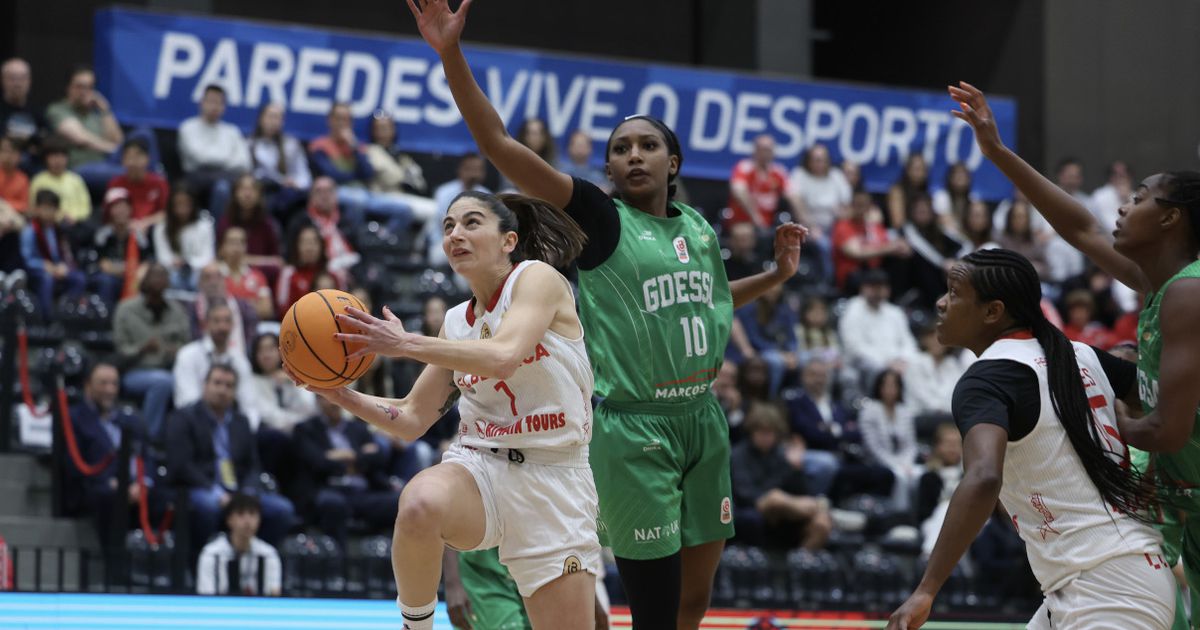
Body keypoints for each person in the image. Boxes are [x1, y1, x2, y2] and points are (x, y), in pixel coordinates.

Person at [405, 2, 806, 626]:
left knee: (694, 605)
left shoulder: (697, 226)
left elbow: (710, 297)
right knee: (653, 608)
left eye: (649, 145)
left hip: (703, 419)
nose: (633, 155)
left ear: (673, 163)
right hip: (635, 427)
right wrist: (451, 54)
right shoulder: (601, 217)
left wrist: (776, 277)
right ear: (610, 167)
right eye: (621, 149)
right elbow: (498, 144)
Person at [291, 188, 598, 630]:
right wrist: (339, 394)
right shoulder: (456, 322)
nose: (456, 233)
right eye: (448, 226)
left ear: (508, 240)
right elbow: (412, 418)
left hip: (554, 478)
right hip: (481, 469)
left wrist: (404, 344)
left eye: (472, 222)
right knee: (419, 503)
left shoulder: (537, 279)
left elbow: (504, 354)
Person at [952, 82, 1200, 616]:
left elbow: (1169, 430)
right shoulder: (1160, 285)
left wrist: (1078, 422)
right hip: (1180, 488)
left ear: (1170, 217)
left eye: (1138, 198)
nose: (1121, 206)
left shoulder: (1189, 291)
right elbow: (1079, 227)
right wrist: (996, 152)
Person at [887, 248, 1174, 630]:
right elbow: (1172, 407)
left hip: (1109, 587)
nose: (941, 303)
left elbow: (984, 477)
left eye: (954, 293)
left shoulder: (986, 379)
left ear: (993, 312)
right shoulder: (1081, 354)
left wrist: (926, 589)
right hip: (1094, 579)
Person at [166, 364, 295, 550]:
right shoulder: (183, 418)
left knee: (282, 510)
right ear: (205, 386)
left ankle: (254, 563)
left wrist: (247, 493)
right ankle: (198, 567)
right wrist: (218, 493)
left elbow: (253, 466)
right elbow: (182, 466)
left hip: (238, 491)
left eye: (229, 385)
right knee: (208, 507)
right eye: (217, 383)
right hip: (200, 488)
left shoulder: (240, 422)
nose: (222, 390)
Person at [64, 361, 160, 547]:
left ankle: (158, 565)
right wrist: (113, 482)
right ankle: (114, 565)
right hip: (98, 486)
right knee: (108, 498)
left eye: (114, 384)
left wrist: (143, 483)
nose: (109, 390)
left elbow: (147, 456)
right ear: (88, 385)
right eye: (103, 383)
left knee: (171, 499)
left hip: (135, 485)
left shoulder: (131, 418)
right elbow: (73, 462)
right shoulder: (74, 417)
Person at [291, 397, 401, 548]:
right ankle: (338, 566)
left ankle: (393, 563)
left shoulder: (358, 428)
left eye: (336, 400)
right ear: (318, 401)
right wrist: (358, 459)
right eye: (327, 399)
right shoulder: (306, 429)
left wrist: (347, 456)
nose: (333, 403)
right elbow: (318, 462)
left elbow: (378, 457)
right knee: (334, 504)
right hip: (327, 488)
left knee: (399, 501)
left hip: (362, 492)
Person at [730, 403, 833, 550]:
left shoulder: (781, 454)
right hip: (755, 508)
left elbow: (802, 490)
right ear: (752, 431)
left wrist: (796, 468)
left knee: (822, 523)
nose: (766, 437)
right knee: (775, 498)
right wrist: (781, 486)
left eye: (770, 432)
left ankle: (798, 565)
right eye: (762, 432)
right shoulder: (738, 455)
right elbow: (746, 495)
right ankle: (815, 508)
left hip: (786, 513)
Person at [113, 263, 191, 440]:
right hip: (135, 371)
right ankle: (147, 437)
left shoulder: (178, 311)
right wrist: (141, 349)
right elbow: (120, 349)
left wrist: (176, 351)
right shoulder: (126, 309)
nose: (158, 280)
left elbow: (186, 345)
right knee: (163, 382)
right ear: (144, 281)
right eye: (154, 276)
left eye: (163, 276)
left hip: (169, 368)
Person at [173, 302, 260, 427]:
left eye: (227, 321)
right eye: (217, 321)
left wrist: (246, 432)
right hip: (195, 426)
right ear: (205, 324)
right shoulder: (188, 355)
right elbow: (187, 401)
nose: (222, 327)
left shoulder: (240, 360)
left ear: (233, 325)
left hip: (231, 426)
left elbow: (249, 405)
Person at [177, 85, 251, 219]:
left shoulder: (232, 131)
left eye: (219, 103)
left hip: (227, 178)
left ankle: (220, 231)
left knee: (224, 187)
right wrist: (227, 159)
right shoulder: (188, 127)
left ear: (224, 107)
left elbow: (244, 162)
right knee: (221, 185)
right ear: (201, 103)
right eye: (211, 101)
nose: (215, 107)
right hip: (196, 178)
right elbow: (200, 158)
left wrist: (220, 162)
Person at [44, 65, 123, 184]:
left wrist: (105, 110)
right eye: (79, 87)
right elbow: (81, 139)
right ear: (69, 87)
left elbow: (118, 141)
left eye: (89, 87)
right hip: (78, 170)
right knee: (131, 175)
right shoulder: (58, 110)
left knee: (144, 134)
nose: (84, 92)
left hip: (106, 166)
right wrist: (116, 151)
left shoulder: (96, 116)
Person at [196, 493, 283, 596]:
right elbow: (205, 597)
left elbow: (274, 596)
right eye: (240, 514)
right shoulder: (211, 554)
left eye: (252, 514)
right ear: (229, 519)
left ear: (259, 519)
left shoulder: (269, 554)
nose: (247, 521)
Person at [859, 369, 920, 512]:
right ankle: (900, 513)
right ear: (878, 387)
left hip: (904, 462)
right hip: (877, 462)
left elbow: (911, 445)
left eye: (894, 385)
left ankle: (918, 514)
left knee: (919, 475)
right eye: (886, 385)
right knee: (900, 477)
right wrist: (896, 465)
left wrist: (906, 463)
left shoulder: (904, 411)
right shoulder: (869, 410)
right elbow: (873, 447)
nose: (890, 390)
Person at [20, 189, 84, 316]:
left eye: (52, 208)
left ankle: (69, 314)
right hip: (38, 270)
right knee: (46, 279)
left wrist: (64, 266)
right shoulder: (30, 231)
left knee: (79, 278)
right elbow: (26, 259)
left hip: (57, 267)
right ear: (37, 209)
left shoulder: (60, 230)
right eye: (45, 208)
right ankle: (47, 319)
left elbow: (67, 254)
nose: (48, 212)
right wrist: (44, 265)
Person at [726, 134, 800, 230]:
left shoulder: (778, 172)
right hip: (743, 222)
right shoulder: (744, 167)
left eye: (768, 150)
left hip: (770, 225)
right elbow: (738, 191)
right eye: (762, 150)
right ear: (755, 151)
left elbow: (793, 195)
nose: (765, 154)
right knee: (744, 232)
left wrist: (805, 222)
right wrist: (756, 217)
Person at [427, 153, 489, 266]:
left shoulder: (487, 196)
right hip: (445, 242)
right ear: (460, 170)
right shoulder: (444, 192)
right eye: (469, 169)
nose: (473, 174)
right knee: (438, 258)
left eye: (477, 169)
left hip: (474, 245)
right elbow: (443, 225)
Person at [247, 103, 311, 213]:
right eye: (270, 116)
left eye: (278, 118)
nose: (274, 122)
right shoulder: (250, 144)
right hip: (262, 190)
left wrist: (296, 183)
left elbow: (304, 176)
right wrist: (281, 181)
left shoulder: (291, 145)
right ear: (261, 119)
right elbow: (256, 173)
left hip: (287, 193)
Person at [151, 186, 215, 291]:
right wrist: (173, 262)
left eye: (186, 203)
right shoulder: (161, 227)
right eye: (178, 203)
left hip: (197, 270)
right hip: (171, 270)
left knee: (201, 277)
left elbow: (208, 255)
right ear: (171, 205)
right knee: (173, 278)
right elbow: (162, 256)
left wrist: (188, 263)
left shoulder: (205, 226)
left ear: (193, 204)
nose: (182, 207)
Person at [106, 137, 169, 235]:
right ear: (123, 160)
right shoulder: (115, 184)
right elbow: (108, 215)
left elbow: (166, 213)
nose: (133, 162)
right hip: (123, 231)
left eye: (138, 156)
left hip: (152, 230)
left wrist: (145, 223)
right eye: (128, 157)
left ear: (148, 158)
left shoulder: (159, 183)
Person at [27, 138, 90, 229]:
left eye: (62, 156)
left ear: (67, 158)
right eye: (54, 156)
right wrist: (58, 217)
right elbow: (33, 208)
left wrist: (74, 217)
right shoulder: (38, 181)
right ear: (46, 158)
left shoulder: (76, 180)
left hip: (75, 224)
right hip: (48, 225)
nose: (58, 160)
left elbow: (85, 208)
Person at [216, 227, 274, 320]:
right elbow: (213, 308)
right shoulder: (214, 275)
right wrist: (250, 303)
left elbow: (266, 310)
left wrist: (234, 304)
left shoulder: (258, 276)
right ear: (222, 247)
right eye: (232, 242)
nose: (236, 247)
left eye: (241, 242)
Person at [0, 58, 46, 158]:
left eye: (22, 78)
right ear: (3, 80)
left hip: (33, 162)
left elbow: (46, 137)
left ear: (29, 81)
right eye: (12, 78)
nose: (17, 84)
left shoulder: (37, 110)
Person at [0, 136, 29, 214]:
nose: (8, 156)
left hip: (12, 217)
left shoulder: (23, 179)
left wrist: (4, 204)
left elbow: (24, 205)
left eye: (13, 152)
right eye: (5, 151)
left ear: (20, 156)